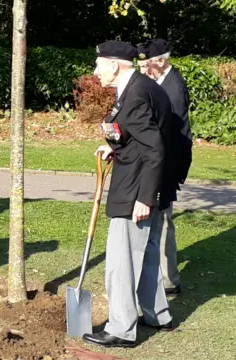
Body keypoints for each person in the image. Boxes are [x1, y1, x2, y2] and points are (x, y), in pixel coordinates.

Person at [82, 41, 176, 348]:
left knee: (121, 262)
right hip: (149, 182)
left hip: (137, 189)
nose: (95, 72)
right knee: (148, 255)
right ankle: (158, 315)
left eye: (99, 65)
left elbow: (154, 149)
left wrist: (144, 199)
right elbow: (143, 136)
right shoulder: (141, 86)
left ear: (115, 64)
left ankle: (121, 329)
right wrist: (115, 147)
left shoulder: (135, 93)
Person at [138, 38, 193, 296]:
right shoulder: (161, 82)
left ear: (162, 61)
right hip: (162, 161)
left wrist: (169, 172)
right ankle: (160, 274)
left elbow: (176, 133)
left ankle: (169, 280)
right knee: (159, 220)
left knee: (163, 220)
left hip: (168, 163)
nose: (145, 69)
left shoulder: (173, 87)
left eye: (147, 64)